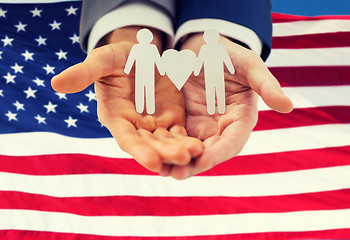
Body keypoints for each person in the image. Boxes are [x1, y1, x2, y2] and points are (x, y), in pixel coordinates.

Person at [51, 0, 293, 180]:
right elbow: (146, 61)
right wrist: (128, 30)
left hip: (209, 75)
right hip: (142, 77)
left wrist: (217, 34)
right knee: (145, 96)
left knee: (214, 95)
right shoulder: (138, 51)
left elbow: (216, 64)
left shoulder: (213, 51)